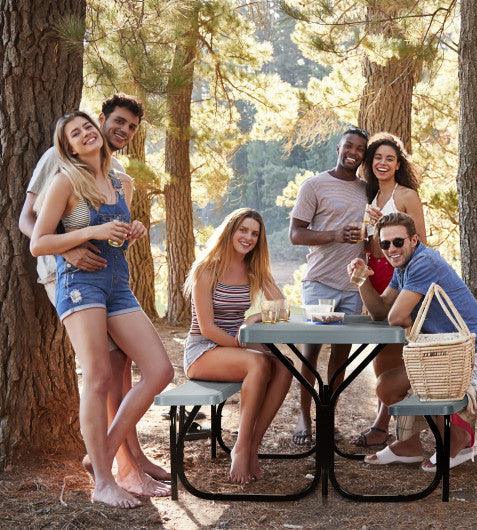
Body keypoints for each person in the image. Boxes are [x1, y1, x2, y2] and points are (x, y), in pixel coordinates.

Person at [19, 94, 171, 482]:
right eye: (118, 121)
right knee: (101, 373)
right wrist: (69, 251)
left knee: (126, 367)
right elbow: (30, 224)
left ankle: (123, 457)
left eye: (132, 127)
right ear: (102, 120)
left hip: (112, 277)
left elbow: (111, 235)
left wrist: (129, 232)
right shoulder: (59, 165)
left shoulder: (118, 175)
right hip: (67, 277)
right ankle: (117, 468)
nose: (123, 130)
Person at [348, 212, 477, 468]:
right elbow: (381, 311)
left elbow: (395, 316)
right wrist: (361, 280)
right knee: (387, 373)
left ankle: (455, 437)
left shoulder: (423, 262)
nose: (391, 249)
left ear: (414, 240)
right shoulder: (403, 267)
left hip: (472, 357)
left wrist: (408, 325)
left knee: (388, 386)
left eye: (398, 242)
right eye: (385, 244)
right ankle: (409, 444)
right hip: (445, 353)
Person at [183, 208, 292, 484]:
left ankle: (254, 445)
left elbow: (282, 308)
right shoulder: (207, 269)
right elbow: (207, 328)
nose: (248, 237)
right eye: (243, 230)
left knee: (285, 366)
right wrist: (242, 347)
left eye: (254, 233)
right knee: (258, 361)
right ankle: (241, 447)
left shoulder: (253, 270)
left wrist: (255, 317)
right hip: (203, 351)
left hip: (235, 350)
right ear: (230, 231)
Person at [289, 126, 368, 445]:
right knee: (310, 352)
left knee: (341, 357)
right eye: (349, 145)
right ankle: (304, 416)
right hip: (319, 282)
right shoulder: (314, 185)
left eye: (360, 149)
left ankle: (328, 416)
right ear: (338, 148)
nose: (353, 152)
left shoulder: (367, 190)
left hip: (352, 287)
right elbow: (295, 234)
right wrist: (334, 235)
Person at [352, 132, 427, 448]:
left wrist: (386, 223)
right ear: (370, 163)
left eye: (390, 159)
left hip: (399, 276)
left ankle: (385, 426)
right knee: (380, 349)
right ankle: (386, 424)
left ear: (398, 164)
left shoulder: (407, 195)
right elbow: (370, 243)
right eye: (378, 158)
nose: (383, 163)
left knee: (396, 346)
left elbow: (421, 242)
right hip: (374, 274)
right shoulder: (369, 196)